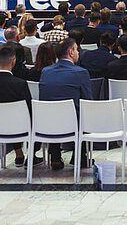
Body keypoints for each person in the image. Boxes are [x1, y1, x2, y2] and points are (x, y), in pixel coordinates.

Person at [0, 45, 40, 167]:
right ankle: (31, 154)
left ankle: (18, 152)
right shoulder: (20, 84)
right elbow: (29, 108)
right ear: (14, 61)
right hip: (19, 127)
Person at [39, 38, 92, 170]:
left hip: (47, 120)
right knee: (84, 111)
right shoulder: (81, 72)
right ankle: (80, 155)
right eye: (77, 50)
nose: (78, 53)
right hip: (73, 122)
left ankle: (55, 155)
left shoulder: (45, 71)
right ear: (70, 52)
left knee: (55, 109)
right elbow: (87, 100)